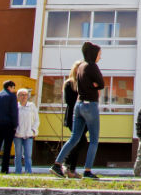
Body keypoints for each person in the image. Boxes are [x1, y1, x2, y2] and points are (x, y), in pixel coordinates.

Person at [50, 41, 104, 180]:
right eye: (99, 54)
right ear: (94, 54)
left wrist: (94, 84)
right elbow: (101, 84)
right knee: (94, 140)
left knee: (74, 137)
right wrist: (95, 85)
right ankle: (87, 171)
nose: (100, 57)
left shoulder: (80, 67)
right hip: (90, 105)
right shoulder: (92, 66)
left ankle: (57, 164)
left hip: (78, 105)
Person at [62, 61, 87, 178]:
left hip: (83, 117)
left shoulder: (84, 83)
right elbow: (69, 101)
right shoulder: (69, 83)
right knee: (80, 141)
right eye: (78, 68)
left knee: (79, 142)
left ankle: (71, 169)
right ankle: (65, 164)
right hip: (73, 116)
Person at [0, 79, 19, 173]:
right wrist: (15, 124)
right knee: (7, 148)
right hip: (9, 125)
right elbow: (14, 112)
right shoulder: (11, 96)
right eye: (13, 87)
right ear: (9, 87)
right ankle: (4, 169)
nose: (14, 89)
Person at [14, 88, 39, 174]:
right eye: (22, 95)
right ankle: (18, 172)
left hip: (29, 134)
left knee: (28, 155)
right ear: (18, 96)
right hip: (17, 134)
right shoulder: (15, 107)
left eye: (25, 95)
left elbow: (36, 120)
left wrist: (33, 130)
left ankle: (28, 172)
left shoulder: (31, 106)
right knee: (18, 154)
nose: (24, 97)